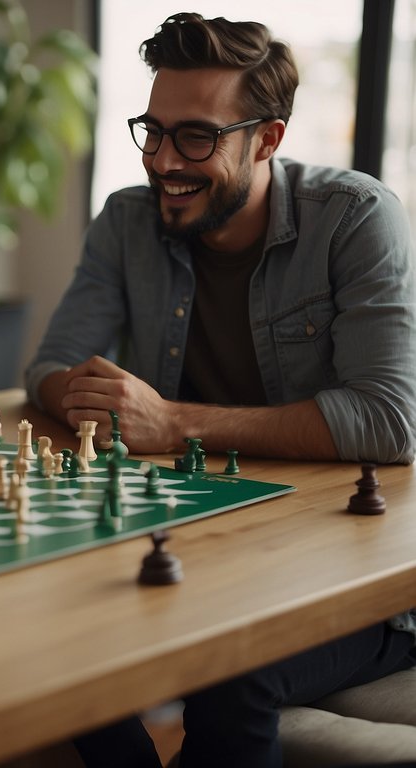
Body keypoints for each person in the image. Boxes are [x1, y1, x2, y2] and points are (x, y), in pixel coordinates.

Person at [24, 13, 416, 768]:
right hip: (202, 545)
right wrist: (81, 391)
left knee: (228, 676)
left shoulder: (357, 219)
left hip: (354, 577)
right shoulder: (127, 220)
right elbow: (47, 367)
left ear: (265, 139)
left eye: (196, 136)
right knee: (52, 642)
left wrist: (172, 423)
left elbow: (388, 419)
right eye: (154, 130)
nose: (165, 160)